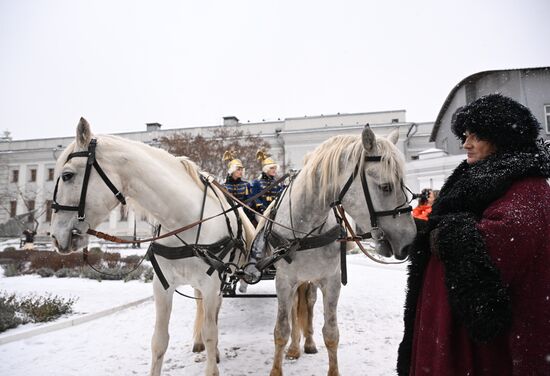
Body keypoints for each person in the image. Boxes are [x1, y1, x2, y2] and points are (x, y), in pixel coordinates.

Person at [397, 94, 550, 376]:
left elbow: (504, 242)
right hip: (456, 332)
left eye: (475, 136)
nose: (465, 144)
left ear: (502, 137)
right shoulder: (483, 177)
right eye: (465, 136)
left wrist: (447, 234)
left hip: (485, 344)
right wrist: (429, 230)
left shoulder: (529, 187)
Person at [222, 150, 255, 224]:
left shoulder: (246, 185)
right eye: (238, 170)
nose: (241, 172)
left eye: (241, 170)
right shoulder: (224, 186)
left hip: (244, 215)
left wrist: (246, 207)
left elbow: (249, 200)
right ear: (232, 171)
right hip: (229, 215)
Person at [250, 149, 284, 215]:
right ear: (266, 169)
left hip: (274, 211)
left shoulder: (278, 183)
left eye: (275, 168)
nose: (274, 170)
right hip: (260, 212)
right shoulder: (257, 183)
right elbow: (254, 197)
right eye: (271, 168)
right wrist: (260, 207)